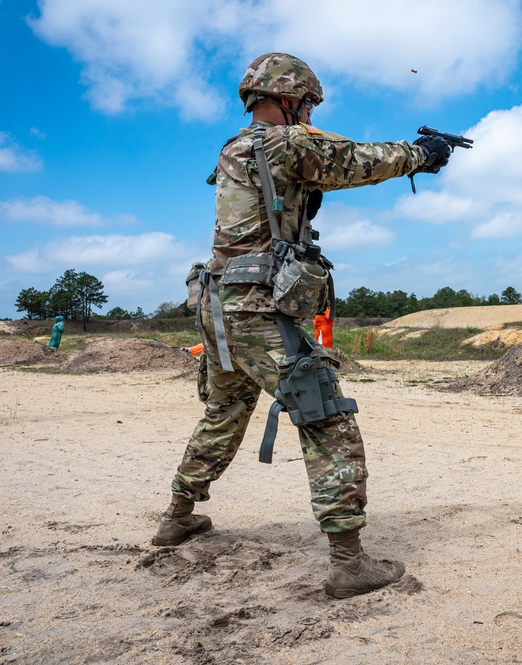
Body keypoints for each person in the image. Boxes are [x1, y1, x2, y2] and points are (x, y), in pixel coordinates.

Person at [152, 52, 452, 599]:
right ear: (287, 99)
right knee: (327, 419)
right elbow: (353, 159)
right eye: (308, 103)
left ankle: (178, 516)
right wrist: (421, 154)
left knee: (224, 412)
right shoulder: (284, 142)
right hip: (258, 310)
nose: (311, 113)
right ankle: (348, 562)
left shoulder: (234, 147)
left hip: (218, 307)